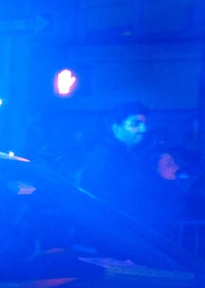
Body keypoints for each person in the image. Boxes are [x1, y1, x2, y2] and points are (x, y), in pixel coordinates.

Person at [78, 101, 184, 236]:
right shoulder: (104, 156)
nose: (143, 129)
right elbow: (111, 197)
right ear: (116, 128)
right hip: (113, 234)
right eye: (135, 124)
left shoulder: (125, 155)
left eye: (144, 124)